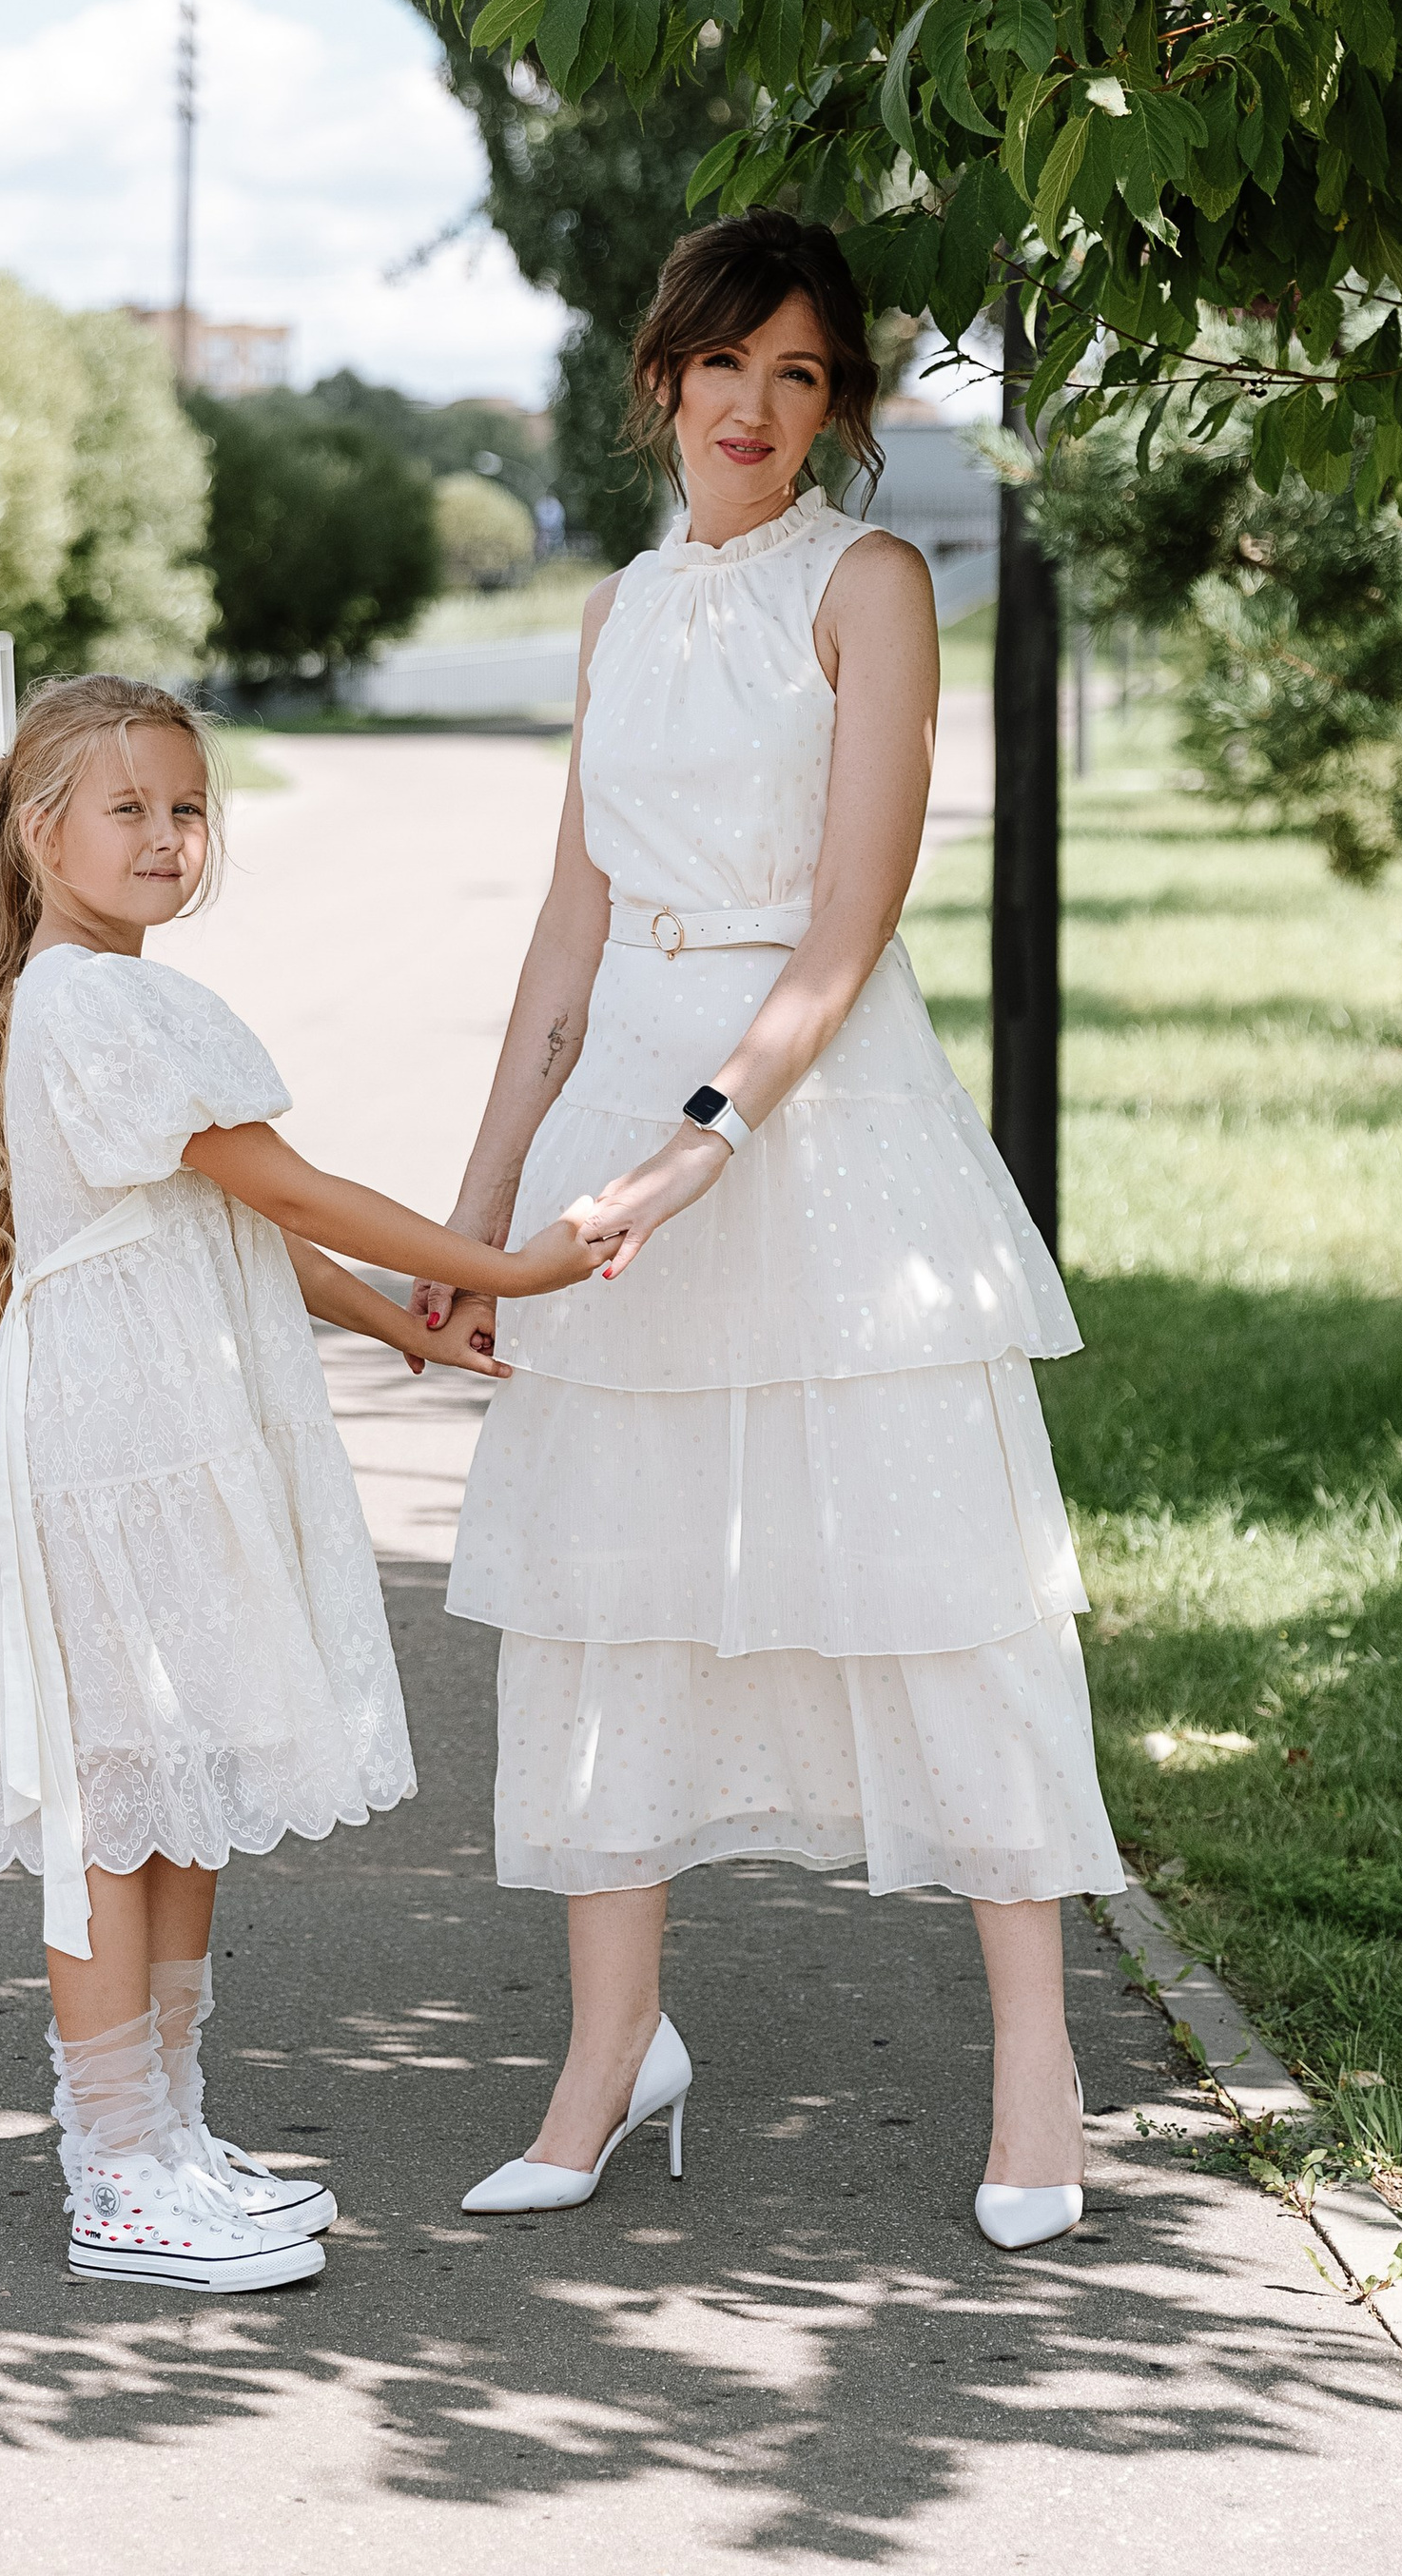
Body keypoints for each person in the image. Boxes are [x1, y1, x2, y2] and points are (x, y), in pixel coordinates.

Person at [411, 214, 1125, 2251]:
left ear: (840, 409)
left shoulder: (870, 583)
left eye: (797, 376)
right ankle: (607, 2057)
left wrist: (709, 1135)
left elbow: (849, 917)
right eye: (722, 365)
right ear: (659, 379)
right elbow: (563, 936)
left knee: (943, 1595)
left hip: (808, 1125)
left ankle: (1037, 2076)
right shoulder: (616, 610)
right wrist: (472, 1224)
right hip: (624, 1102)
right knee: (604, 1598)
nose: (750, 406)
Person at [0, 673, 614, 2293]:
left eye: (188, 810)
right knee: (119, 1791)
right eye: (131, 810)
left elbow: (237, 1228)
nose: (170, 839)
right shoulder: (88, 1001)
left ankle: (167, 2128)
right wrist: (501, 1262)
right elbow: (282, 1179)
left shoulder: (124, 993)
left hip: (179, 1419)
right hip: (118, 1435)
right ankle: (114, 2167)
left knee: (185, 1778)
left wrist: (406, 1328)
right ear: (43, 833)